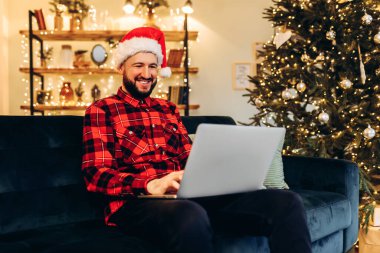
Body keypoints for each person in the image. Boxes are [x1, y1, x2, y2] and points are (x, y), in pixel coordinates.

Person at [82, 27, 312, 253]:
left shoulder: (168, 109)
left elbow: (189, 156)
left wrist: (224, 174)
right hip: (135, 202)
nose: (146, 73)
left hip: (186, 197)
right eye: (138, 65)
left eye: (152, 66)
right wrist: (150, 184)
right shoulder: (102, 110)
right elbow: (96, 174)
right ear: (121, 67)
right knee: (189, 215)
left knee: (287, 202)